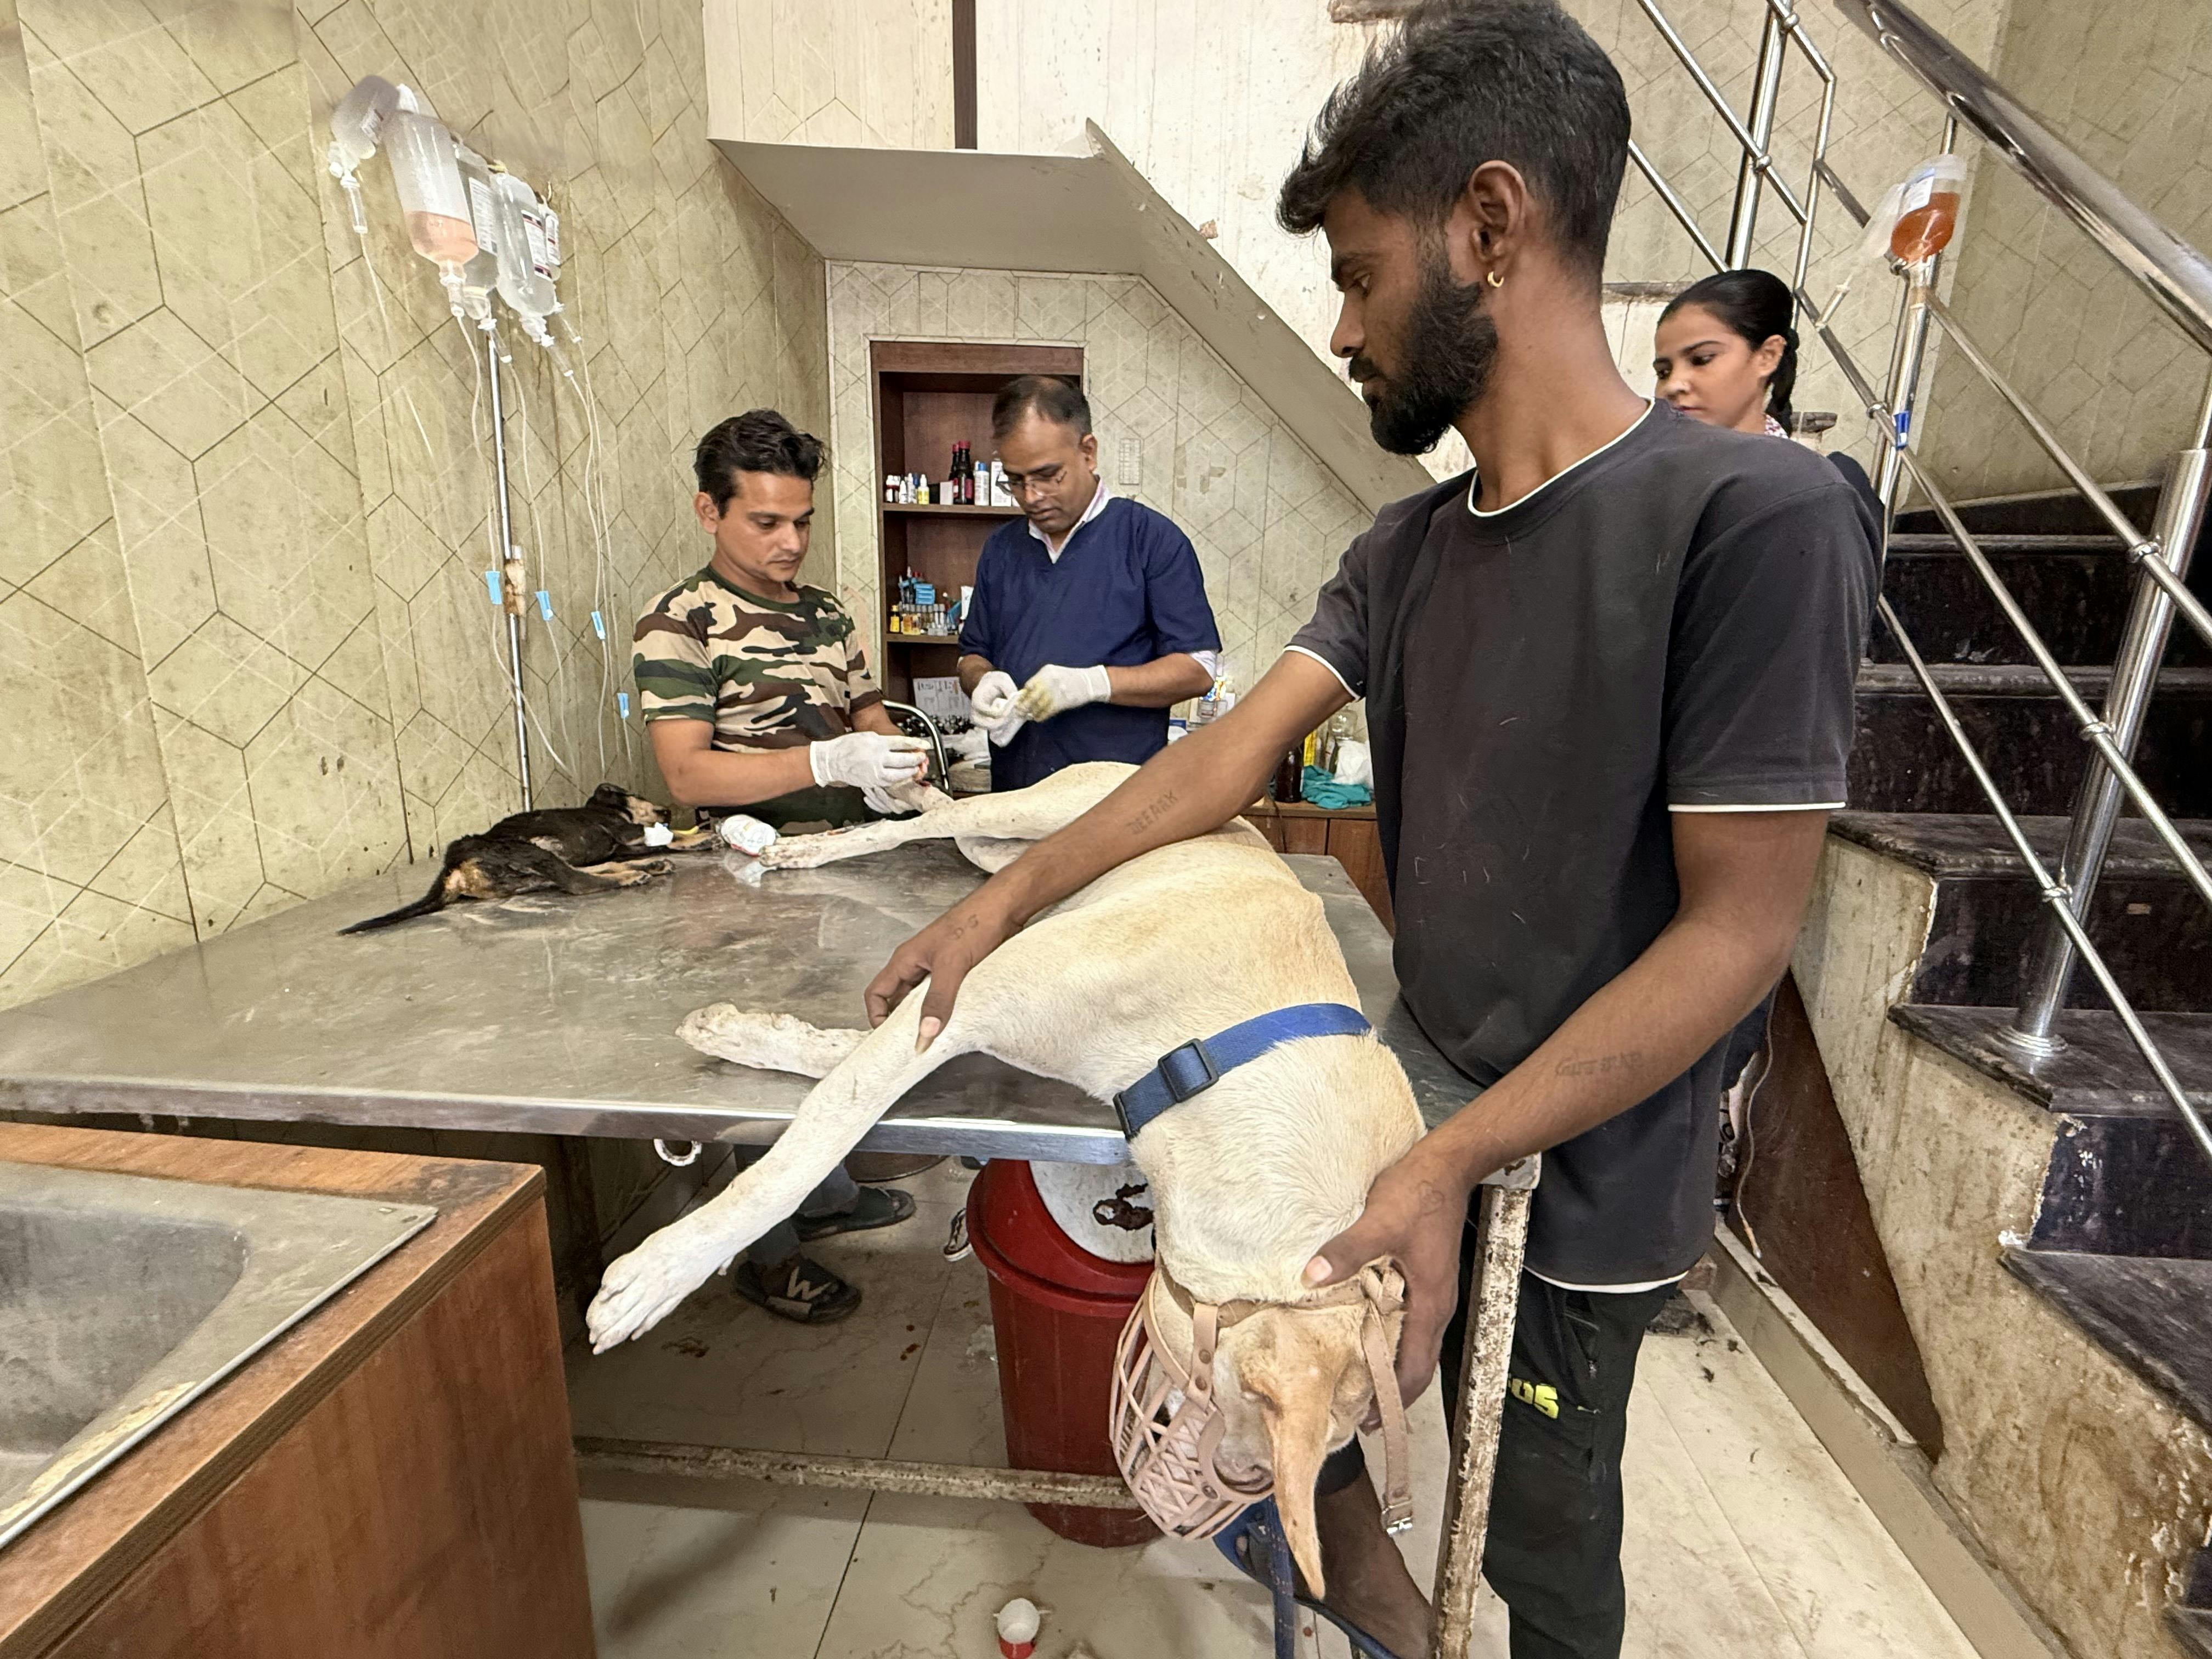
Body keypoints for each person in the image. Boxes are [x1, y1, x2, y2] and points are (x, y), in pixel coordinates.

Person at [862, 5, 1877, 1656]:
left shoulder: (1754, 516)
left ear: (1489, 226)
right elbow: (1210, 765)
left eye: (1355, 270)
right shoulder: (1408, 551)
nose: (1341, 328)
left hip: (1587, 1160)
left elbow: (1739, 933)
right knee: (1296, 1433)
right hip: (1415, 1088)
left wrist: (1454, 1161)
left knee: (1539, 1533)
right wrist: (1002, 905)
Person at [633, 409, 919, 1322]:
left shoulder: (829, 614)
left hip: (848, 867)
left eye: (802, 519)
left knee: (837, 1033)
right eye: (766, 521)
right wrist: (822, 764)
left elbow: (867, 713)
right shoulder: (678, 625)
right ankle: (766, 1249)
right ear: (708, 512)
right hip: (746, 883)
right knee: (764, 1061)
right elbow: (684, 768)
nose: (791, 540)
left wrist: (898, 762)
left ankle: (825, 1195)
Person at [958, 376, 1223, 789]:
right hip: (1016, 791)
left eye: (1048, 476)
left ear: (1088, 452)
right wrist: (982, 682)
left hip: (1115, 796)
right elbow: (973, 653)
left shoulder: (1149, 541)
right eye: (1015, 480)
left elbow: (1197, 669)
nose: (1031, 496)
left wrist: (1093, 684)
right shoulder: (1002, 549)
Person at [1654, 267, 1881, 509]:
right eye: (1663, 372)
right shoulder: (1645, 478)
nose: (1674, 385)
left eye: (1702, 359)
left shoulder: (1820, 490)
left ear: (1767, 356)